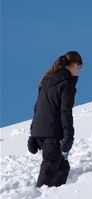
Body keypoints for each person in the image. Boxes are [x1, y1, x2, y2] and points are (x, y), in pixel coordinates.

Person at [28, 51, 83, 187]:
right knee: (49, 168)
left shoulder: (46, 80)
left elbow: (38, 107)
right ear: (74, 64)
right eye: (79, 68)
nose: (78, 72)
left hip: (41, 131)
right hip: (52, 133)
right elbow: (65, 111)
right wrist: (69, 135)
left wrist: (33, 134)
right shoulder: (67, 83)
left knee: (62, 167)